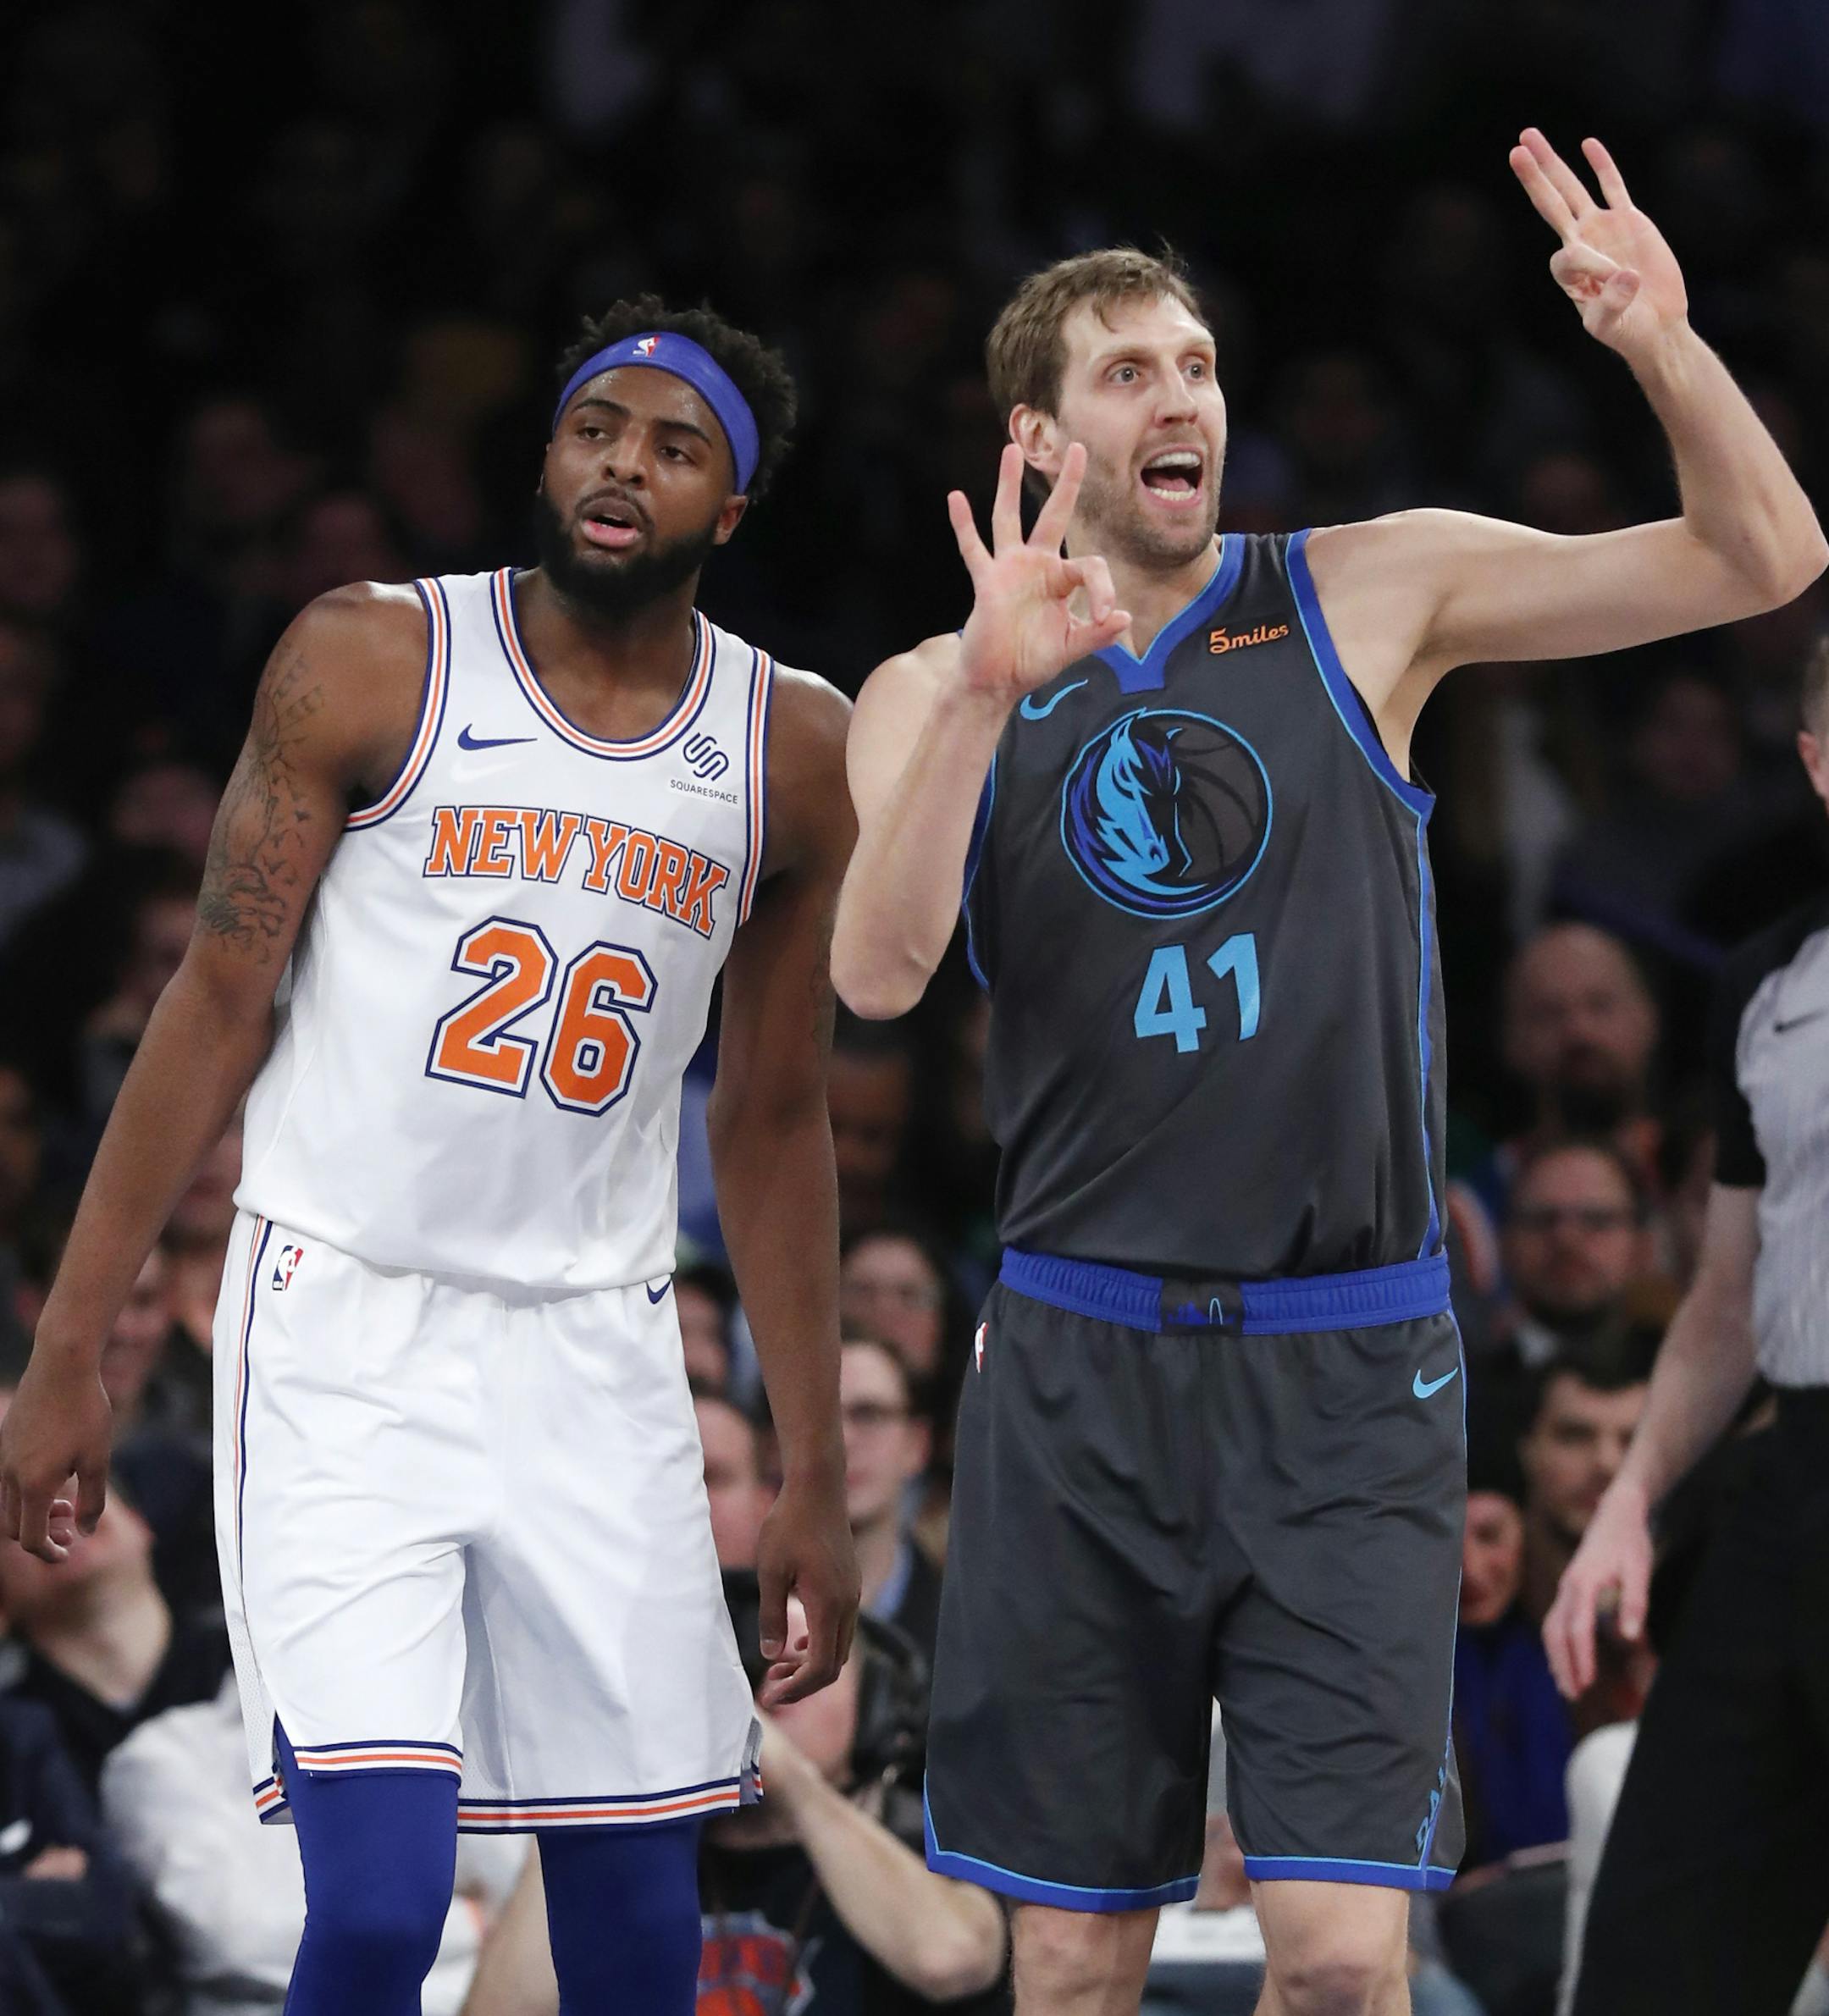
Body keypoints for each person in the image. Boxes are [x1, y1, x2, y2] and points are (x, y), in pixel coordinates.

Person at [831, 127, 1826, 2016]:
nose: (1182, 397)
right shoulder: (924, 689)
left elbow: (1766, 555)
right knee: (1072, 1965)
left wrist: (1663, 345)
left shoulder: (1366, 591)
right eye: (1130, 371)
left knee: (1352, 1965)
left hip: (1350, 1364)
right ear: (1039, 435)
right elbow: (876, 977)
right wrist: (981, 694)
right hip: (1079, 1365)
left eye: (1199, 365)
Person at [0, 295, 861, 2016]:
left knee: (642, 1928)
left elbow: (771, 1121)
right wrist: (68, 1342)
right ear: (547, 452)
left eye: (675, 447)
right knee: (383, 1909)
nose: (623, 464)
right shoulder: (371, 654)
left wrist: (816, 1466)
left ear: (732, 507)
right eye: (596, 428)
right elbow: (212, 1001)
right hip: (344, 1321)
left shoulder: (795, 749)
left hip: (596, 1344)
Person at [1546, 632, 1829, 2013]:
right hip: (1794, 1488)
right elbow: (1726, 1294)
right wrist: (1630, 1502)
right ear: (1819, 764)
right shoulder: (1767, 982)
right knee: (1656, 1961)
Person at [459, 1584, 1009, 2016]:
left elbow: (953, 1958)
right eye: (749, 1664)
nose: (771, 1686)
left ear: (876, 1704)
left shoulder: (925, 1834)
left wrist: (795, 1785)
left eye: (805, 1659)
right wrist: (594, 1785)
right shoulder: (640, 1851)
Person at [102, 1676, 527, 2016]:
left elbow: (518, 1898)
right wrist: (472, 1922)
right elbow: (240, 1939)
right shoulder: (166, 1755)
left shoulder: (449, 1721)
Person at [841, 1338, 943, 1665]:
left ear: (917, 1444)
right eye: (816, 1418)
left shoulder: (967, 1628)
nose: (842, 1439)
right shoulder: (736, 1622)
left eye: (868, 1415)